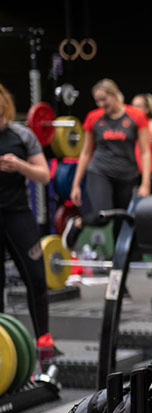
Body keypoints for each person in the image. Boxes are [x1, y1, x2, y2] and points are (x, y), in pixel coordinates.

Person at [0, 82, 59, 354]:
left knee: (36, 277)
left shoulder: (22, 135)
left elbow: (44, 175)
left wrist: (20, 165)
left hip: (18, 214)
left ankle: (44, 341)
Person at [65, 79, 151, 249]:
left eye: (104, 99)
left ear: (115, 94)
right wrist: (76, 184)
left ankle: (119, 259)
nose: (101, 104)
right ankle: (78, 223)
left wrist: (145, 183)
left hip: (127, 175)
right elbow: (86, 153)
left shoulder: (136, 116)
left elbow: (145, 151)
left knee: (123, 219)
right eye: (98, 101)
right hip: (100, 171)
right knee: (103, 215)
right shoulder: (94, 118)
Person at [130, 93, 152, 192]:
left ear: (147, 109)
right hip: (131, 171)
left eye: (138, 106)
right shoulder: (127, 125)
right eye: (132, 106)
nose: (134, 109)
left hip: (151, 170)